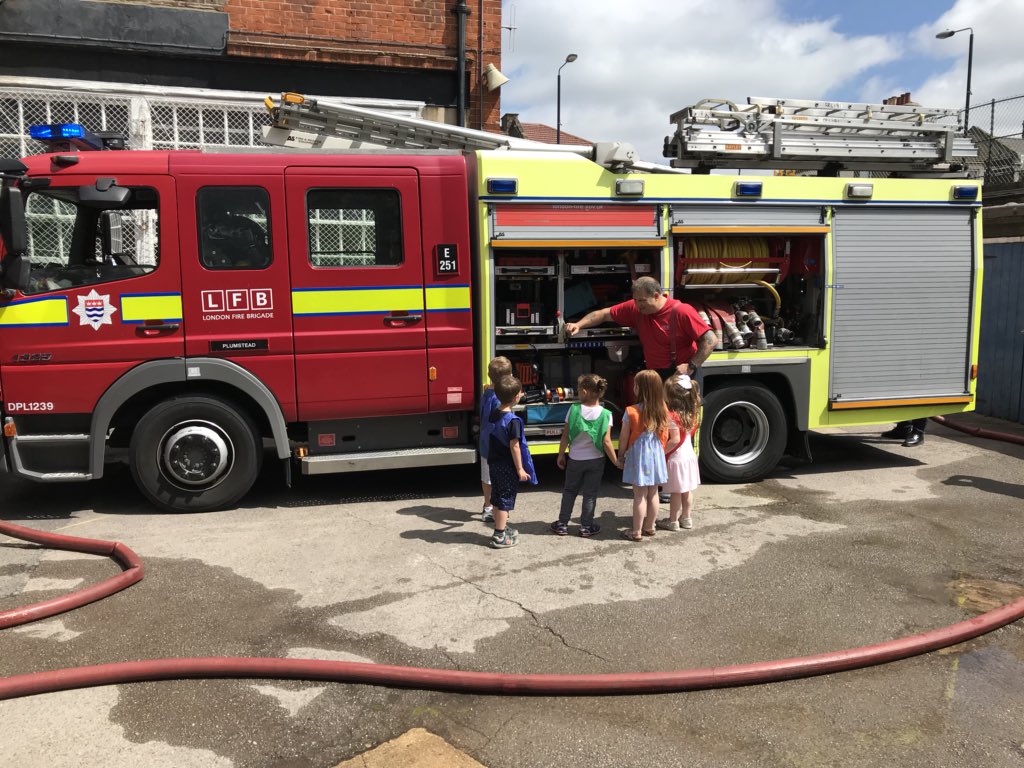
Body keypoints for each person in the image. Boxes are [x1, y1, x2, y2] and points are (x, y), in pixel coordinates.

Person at [564, 276, 717, 380]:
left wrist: (690, 366)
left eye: (642, 300)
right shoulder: (636, 308)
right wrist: (578, 324)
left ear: (657, 296)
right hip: (655, 376)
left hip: (682, 375)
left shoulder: (682, 311)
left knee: (683, 423)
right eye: (635, 300)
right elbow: (603, 314)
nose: (638, 305)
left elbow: (710, 340)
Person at [551, 374, 618, 538]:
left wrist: (561, 454)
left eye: (579, 390)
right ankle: (586, 526)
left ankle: (562, 524)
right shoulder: (606, 414)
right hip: (596, 460)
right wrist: (616, 461)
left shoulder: (573, 410)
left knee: (569, 491)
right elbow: (607, 442)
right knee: (590, 494)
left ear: (585, 391)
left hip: (575, 459)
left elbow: (565, 435)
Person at [617, 369, 673, 541]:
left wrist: (620, 457)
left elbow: (624, 437)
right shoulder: (664, 410)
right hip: (656, 455)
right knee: (654, 492)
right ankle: (650, 526)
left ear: (639, 389)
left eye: (635, 384)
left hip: (639, 455)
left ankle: (636, 531)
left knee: (639, 494)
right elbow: (668, 435)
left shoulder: (631, 411)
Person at [486, 375, 538, 549]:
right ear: (517, 397)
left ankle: (501, 527)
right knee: (504, 500)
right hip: (507, 466)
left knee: (496, 497)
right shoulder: (513, 421)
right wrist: (520, 468)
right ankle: (499, 535)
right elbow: (515, 447)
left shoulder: (495, 412)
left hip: (494, 463)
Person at [657, 373, 702, 531]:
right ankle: (686, 518)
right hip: (689, 457)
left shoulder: (672, 416)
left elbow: (675, 440)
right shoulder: (692, 413)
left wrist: (661, 452)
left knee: (675, 492)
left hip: (677, 459)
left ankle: (673, 521)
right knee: (686, 491)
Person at [479, 356, 513, 522]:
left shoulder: (486, 392)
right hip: (496, 446)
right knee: (498, 478)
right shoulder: (499, 399)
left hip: (486, 444)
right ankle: (495, 507)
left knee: (487, 477)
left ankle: (488, 506)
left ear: (488, 374)